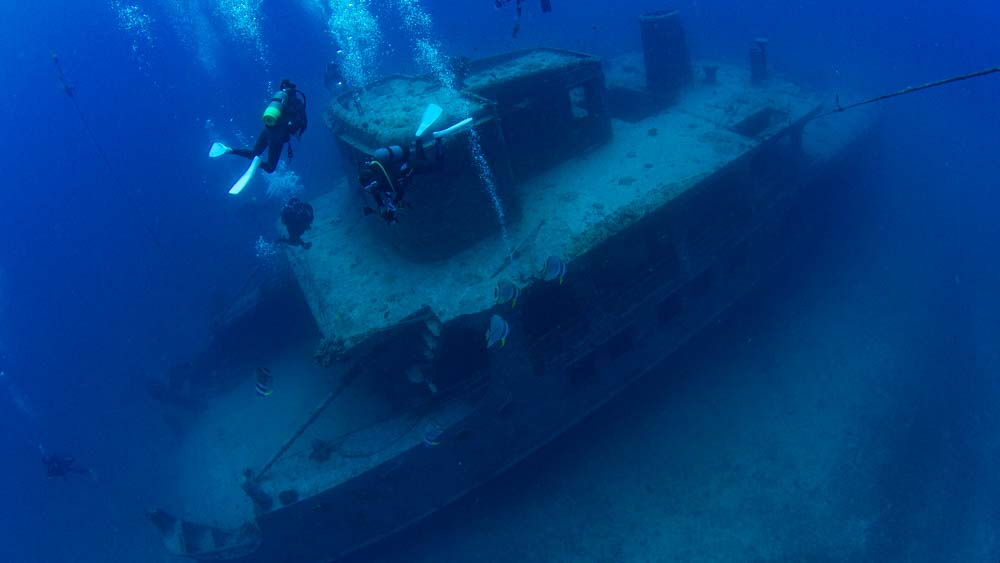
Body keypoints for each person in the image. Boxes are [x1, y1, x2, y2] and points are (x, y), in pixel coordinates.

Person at [224, 79, 308, 173]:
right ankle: (259, 162)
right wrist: (297, 132)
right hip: (278, 136)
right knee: (270, 168)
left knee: (253, 153)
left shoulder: (278, 99)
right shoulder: (297, 103)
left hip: (266, 130)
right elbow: (303, 123)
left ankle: (230, 150)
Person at [359, 137, 444, 224]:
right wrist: (381, 206)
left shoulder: (386, 180)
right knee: (422, 161)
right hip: (404, 168)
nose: (373, 188)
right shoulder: (375, 180)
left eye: (372, 185)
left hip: (409, 167)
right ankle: (418, 139)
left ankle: (438, 139)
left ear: (374, 179)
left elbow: (400, 191)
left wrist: (393, 204)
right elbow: (376, 194)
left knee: (438, 166)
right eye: (369, 188)